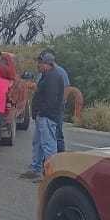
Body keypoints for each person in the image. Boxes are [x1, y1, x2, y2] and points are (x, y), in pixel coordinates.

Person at [27, 51, 66, 179]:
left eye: (40, 62)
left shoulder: (53, 77)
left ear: (47, 63)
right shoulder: (47, 75)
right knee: (38, 143)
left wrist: (42, 112)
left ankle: (50, 175)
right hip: (43, 115)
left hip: (47, 116)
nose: (38, 65)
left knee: (48, 145)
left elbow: (51, 99)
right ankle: (36, 168)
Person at [39, 48, 71, 152]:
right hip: (46, 110)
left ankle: (60, 157)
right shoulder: (44, 72)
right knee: (47, 137)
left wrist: (60, 104)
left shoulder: (60, 72)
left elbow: (66, 89)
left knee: (57, 134)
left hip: (55, 109)